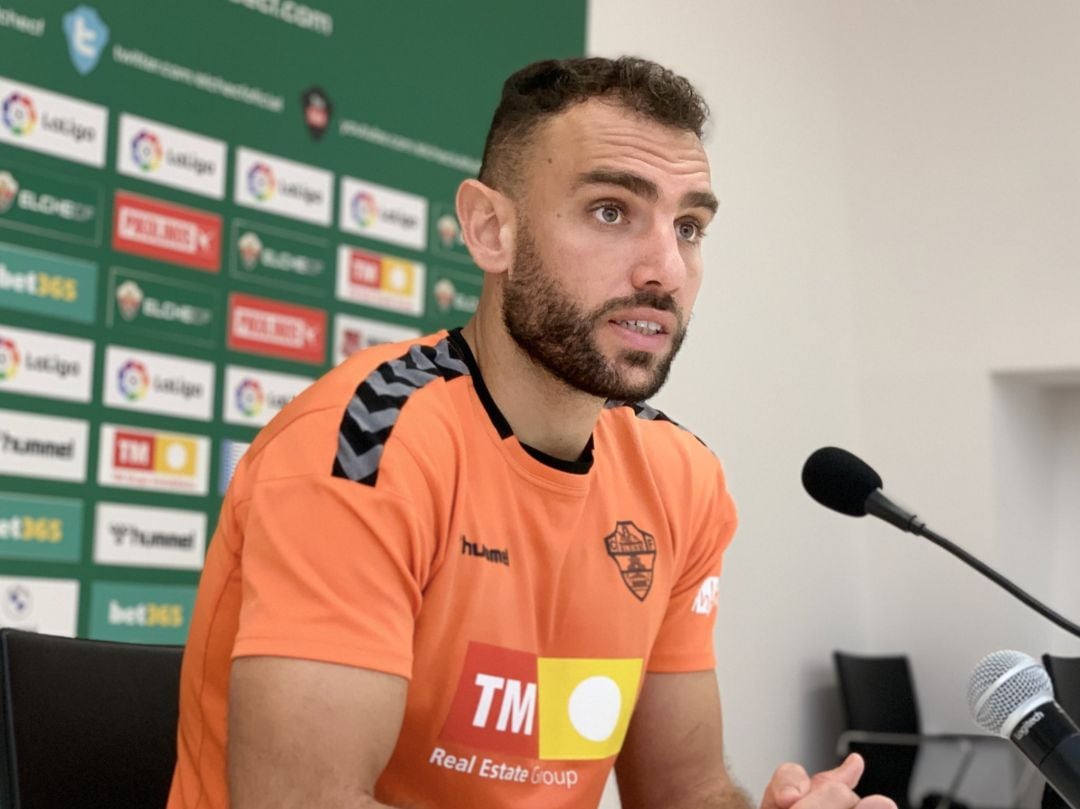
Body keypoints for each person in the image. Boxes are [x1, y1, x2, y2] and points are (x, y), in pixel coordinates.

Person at [167, 56, 896, 809]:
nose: (665, 268)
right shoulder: (364, 444)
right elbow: (301, 801)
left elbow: (686, 789)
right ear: (491, 230)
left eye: (689, 226)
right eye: (612, 211)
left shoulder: (682, 478)